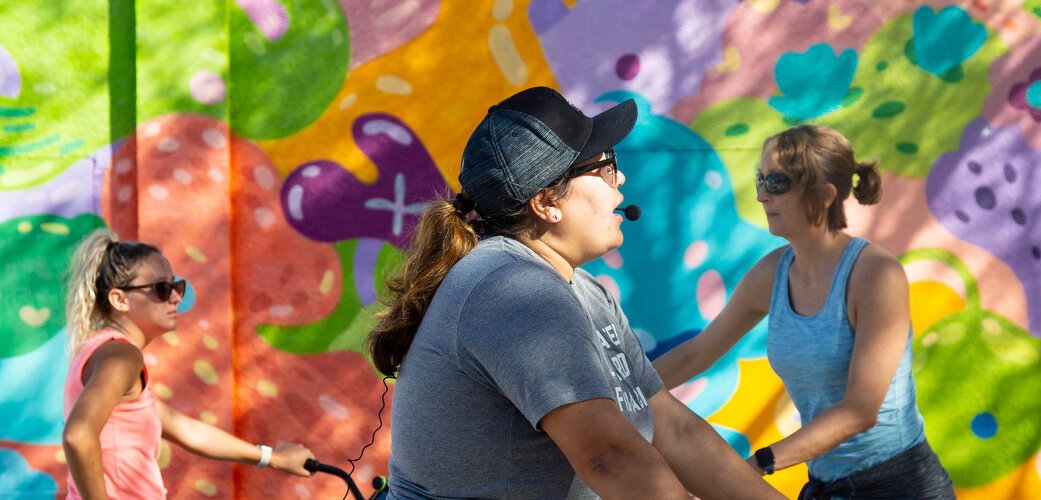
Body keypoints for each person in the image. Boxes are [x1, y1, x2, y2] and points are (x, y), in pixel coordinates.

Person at [367, 87, 784, 499]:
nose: (619, 178)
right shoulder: (512, 291)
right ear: (548, 201)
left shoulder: (578, 289)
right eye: (604, 167)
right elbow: (609, 458)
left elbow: (674, 429)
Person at [653, 125, 955, 499]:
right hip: (827, 486)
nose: (762, 195)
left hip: (902, 485)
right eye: (759, 179)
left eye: (776, 182)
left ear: (825, 194)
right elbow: (697, 353)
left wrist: (754, 467)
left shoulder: (876, 275)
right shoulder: (772, 273)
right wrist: (610, 394)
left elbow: (861, 409)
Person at [60, 230, 316, 499]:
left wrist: (273, 458)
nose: (175, 298)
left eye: (176, 287)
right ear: (119, 299)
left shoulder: (104, 354)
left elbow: (189, 431)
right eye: (161, 289)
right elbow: (78, 436)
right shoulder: (121, 356)